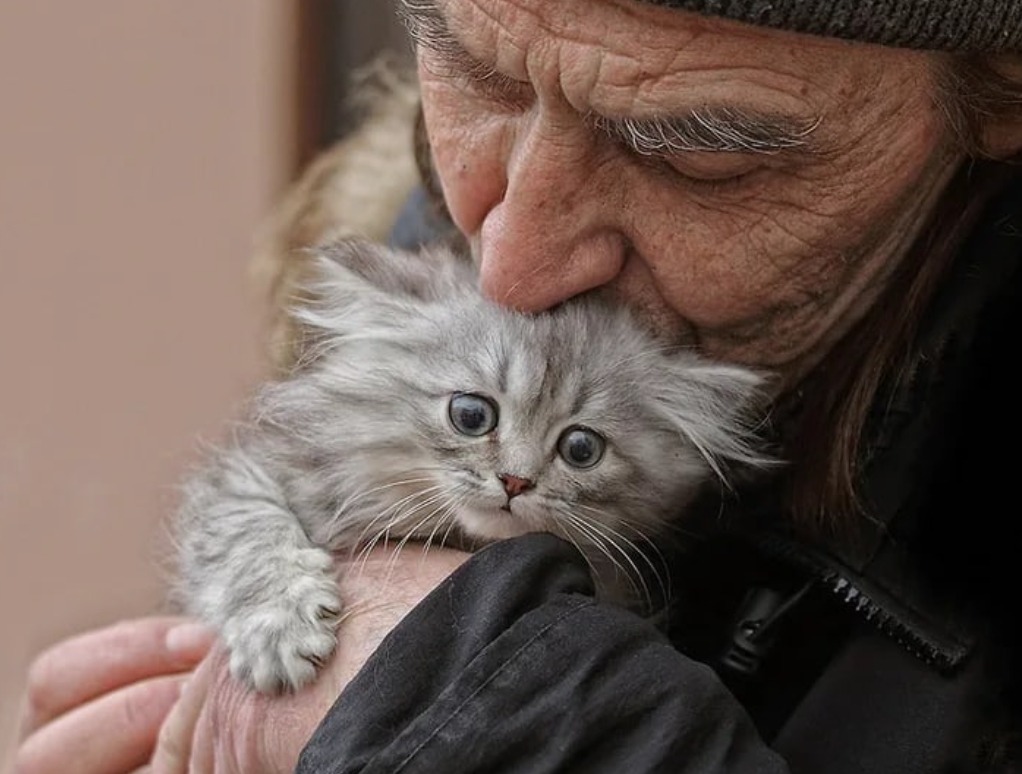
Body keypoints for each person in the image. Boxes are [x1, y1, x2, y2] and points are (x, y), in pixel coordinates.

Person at [14, 0, 1022, 771]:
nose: (511, 262)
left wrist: (476, 707)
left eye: (697, 156)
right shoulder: (399, 284)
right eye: (471, 72)